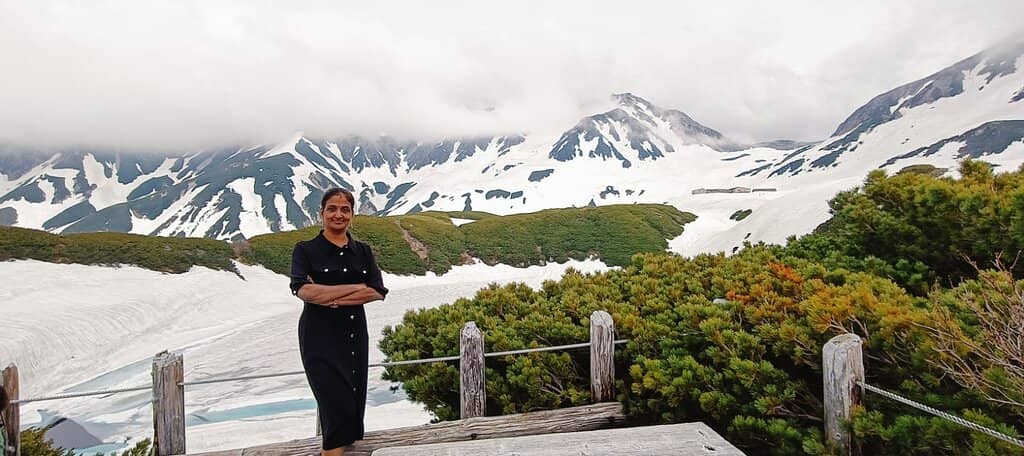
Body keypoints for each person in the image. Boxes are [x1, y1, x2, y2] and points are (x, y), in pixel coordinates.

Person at [290, 188, 387, 456]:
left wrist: (328, 296)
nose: (338, 214)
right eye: (332, 208)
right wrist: (355, 288)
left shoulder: (363, 251)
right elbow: (303, 291)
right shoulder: (306, 250)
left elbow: (377, 291)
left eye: (345, 209)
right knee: (337, 410)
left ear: (352, 215)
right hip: (319, 339)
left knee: (352, 410)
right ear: (321, 213)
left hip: (354, 338)